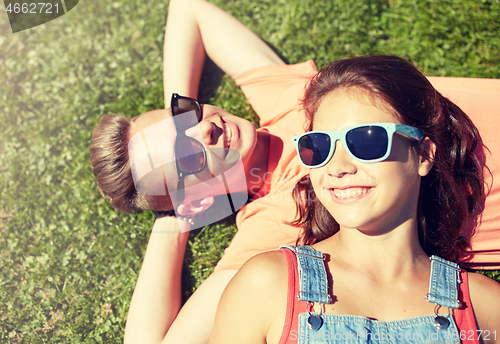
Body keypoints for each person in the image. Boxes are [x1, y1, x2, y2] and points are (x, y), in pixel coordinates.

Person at [87, 0, 500, 343]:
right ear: (202, 200)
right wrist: (175, 217)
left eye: (185, 115)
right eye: (188, 156)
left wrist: (173, 126)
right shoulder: (276, 222)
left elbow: (188, 10)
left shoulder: (288, 97)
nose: (204, 129)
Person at [208, 56, 500, 344]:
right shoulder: (267, 285)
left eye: (367, 140)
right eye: (319, 147)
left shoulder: (483, 307)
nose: (337, 167)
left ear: (423, 154)